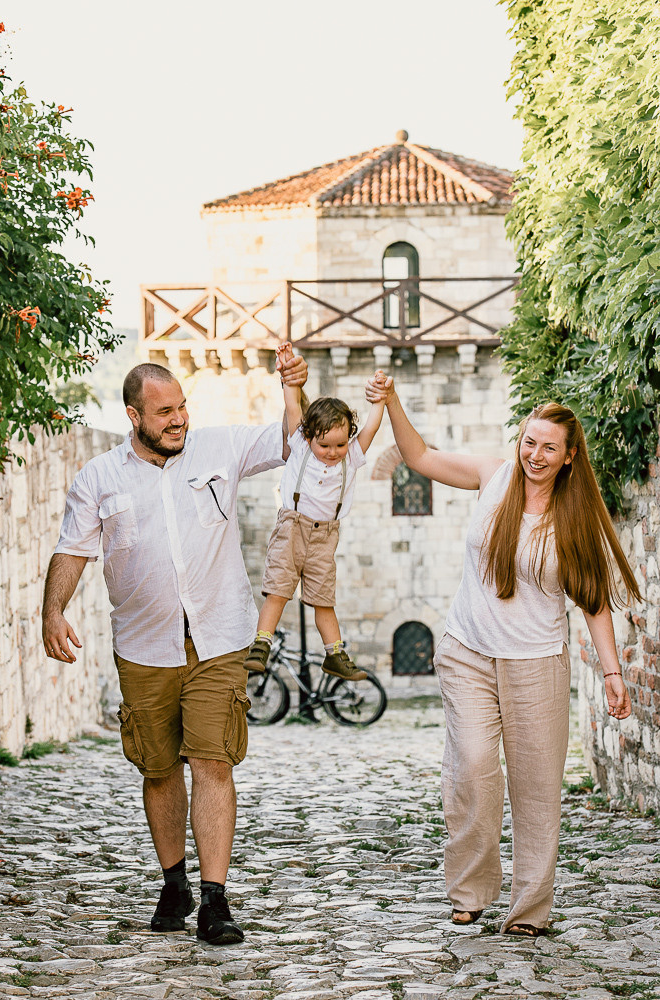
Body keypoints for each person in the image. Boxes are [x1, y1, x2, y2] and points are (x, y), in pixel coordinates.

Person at [41, 352, 307, 946]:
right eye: (164, 412)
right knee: (160, 771)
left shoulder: (219, 449)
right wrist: (52, 610)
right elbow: (73, 550)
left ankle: (215, 900)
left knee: (213, 762)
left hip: (218, 640)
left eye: (182, 406)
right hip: (143, 648)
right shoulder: (99, 479)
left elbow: (291, 440)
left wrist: (293, 390)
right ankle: (174, 882)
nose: (178, 419)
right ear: (134, 414)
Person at [366, 375, 640, 937]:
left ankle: (530, 911)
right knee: (471, 767)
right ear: (519, 440)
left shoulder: (574, 517)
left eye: (549, 448)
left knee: (537, 789)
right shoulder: (493, 478)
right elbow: (418, 455)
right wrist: (394, 400)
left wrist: (612, 672)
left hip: (536, 662)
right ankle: (470, 890)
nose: (535, 456)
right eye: (529, 442)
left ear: (568, 459)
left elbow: (591, 600)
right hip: (468, 651)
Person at [244, 352, 387, 681]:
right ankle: (261, 645)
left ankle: (335, 654)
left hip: (326, 535)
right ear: (309, 437)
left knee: (323, 598)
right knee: (278, 590)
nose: (333, 452)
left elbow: (373, 426)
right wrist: (289, 373)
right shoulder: (299, 445)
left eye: (340, 444)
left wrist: (379, 398)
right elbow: (293, 403)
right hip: (292, 527)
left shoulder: (352, 455)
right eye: (325, 445)